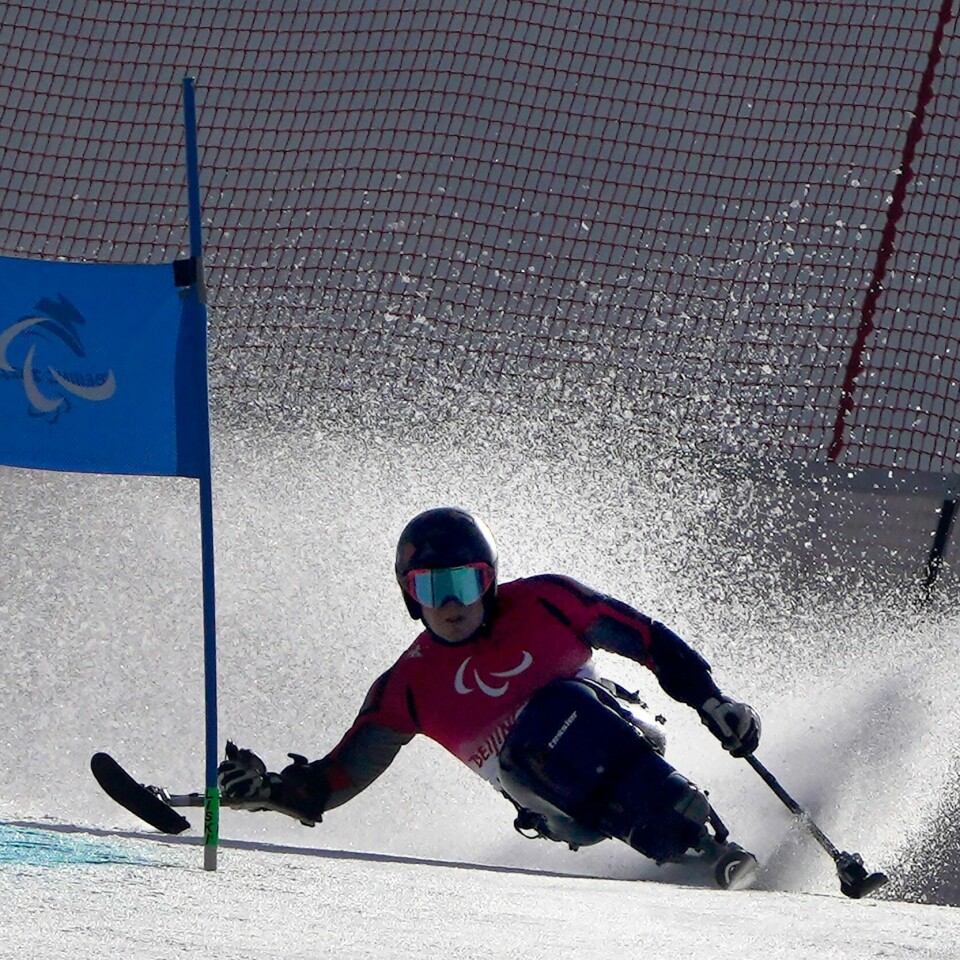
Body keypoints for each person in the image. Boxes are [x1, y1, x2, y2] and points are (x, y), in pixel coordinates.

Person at [219, 506, 761, 880]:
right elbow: (339, 775)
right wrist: (271, 791)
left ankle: (694, 835)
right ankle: (688, 841)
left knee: (561, 710)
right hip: (553, 804)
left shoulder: (546, 601)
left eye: (465, 582)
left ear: (490, 581)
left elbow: (647, 639)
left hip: (622, 733)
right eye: (430, 588)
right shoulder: (409, 684)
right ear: (410, 597)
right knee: (538, 739)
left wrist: (713, 702)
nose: (451, 605)